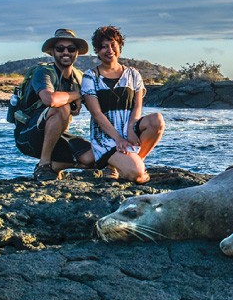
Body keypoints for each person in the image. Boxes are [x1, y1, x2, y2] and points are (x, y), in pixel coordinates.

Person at [80, 26, 164, 184]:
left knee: (157, 120)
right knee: (139, 176)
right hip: (106, 138)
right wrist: (118, 139)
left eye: (113, 45)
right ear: (97, 51)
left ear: (119, 46)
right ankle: (115, 165)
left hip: (129, 132)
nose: (109, 50)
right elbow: (97, 114)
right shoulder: (90, 76)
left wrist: (132, 128)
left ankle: (133, 161)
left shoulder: (133, 74)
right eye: (104, 46)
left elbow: (137, 106)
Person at [14, 28, 96, 181]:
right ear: (52, 52)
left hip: (56, 136)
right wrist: (78, 94)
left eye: (71, 48)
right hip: (29, 135)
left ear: (77, 52)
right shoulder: (43, 72)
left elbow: (97, 109)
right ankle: (44, 164)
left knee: (93, 157)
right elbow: (50, 100)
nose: (66, 52)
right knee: (61, 107)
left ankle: (53, 166)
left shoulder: (79, 78)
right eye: (60, 48)